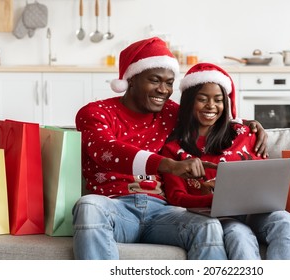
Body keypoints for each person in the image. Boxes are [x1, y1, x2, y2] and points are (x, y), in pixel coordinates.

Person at [72, 37, 268, 260]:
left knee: (209, 226)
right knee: (88, 206)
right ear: (132, 78)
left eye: (169, 82)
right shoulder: (95, 112)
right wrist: (169, 165)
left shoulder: (170, 113)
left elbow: (208, 114)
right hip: (114, 208)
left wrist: (250, 125)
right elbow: (107, 150)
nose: (163, 90)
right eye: (155, 80)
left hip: (162, 212)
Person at [160, 62, 290, 260]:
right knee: (239, 236)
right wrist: (218, 200)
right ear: (188, 103)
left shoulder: (244, 133)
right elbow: (176, 197)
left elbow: (265, 175)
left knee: (285, 221)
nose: (211, 106)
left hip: (258, 212)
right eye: (202, 99)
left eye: (218, 100)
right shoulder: (173, 148)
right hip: (221, 217)